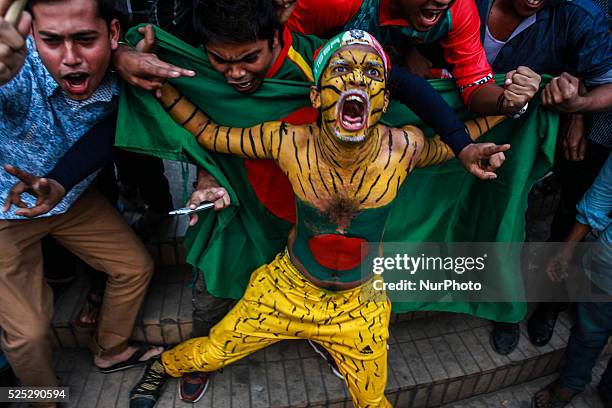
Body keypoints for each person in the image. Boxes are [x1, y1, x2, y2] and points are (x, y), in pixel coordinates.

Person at [127, 29, 510, 408]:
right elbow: (209, 132)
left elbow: (459, 143)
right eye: (342, 69)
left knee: (373, 400)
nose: (357, 79)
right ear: (316, 95)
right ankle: (162, 366)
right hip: (285, 290)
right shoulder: (286, 141)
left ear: (384, 100)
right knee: (213, 351)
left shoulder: (403, 147)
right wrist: (163, 88)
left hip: (361, 303)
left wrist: (516, 106)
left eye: (373, 73)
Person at [0, 0, 162, 401]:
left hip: (69, 199)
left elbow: (110, 131)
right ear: (32, 36)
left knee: (134, 266)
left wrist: (60, 180)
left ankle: (110, 350)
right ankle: (40, 398)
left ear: (112, 34)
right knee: (28, 333)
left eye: (85, 39)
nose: (70, 59)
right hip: (4, 213)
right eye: (52, 41)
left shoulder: (131, 72)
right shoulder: (14, 69)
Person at [472, 0, 612, 355]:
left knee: (515, 212)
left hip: (528, 134)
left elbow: (599, 76)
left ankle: (517, 305)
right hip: (452, 116)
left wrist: (576, 108)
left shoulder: (579, 15)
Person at [284, 0, 542, 117]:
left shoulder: (459, 9)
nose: (442, 1)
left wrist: (509, 101)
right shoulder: (335, 3)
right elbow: (278, 46)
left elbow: (475, 85)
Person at [532, 152, 611, 408]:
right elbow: (601, 194)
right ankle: (571, 382)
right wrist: (567, 249)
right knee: (589, 331)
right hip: (608, 265)